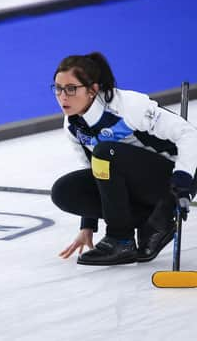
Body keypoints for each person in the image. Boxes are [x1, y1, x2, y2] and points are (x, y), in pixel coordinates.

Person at [50, 52, 197, 266]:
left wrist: (183, 177)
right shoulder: (73, 124)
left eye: (71, 89)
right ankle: (151, 221)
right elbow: (93, 171)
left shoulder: (128, 105)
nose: (63, 97)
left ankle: (121, 238)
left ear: (93, 90)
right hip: (134, 181)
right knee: (64, 191)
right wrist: (87, 225)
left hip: (174, 179)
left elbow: (189, 134)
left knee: (105, 153)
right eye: (58, 88)